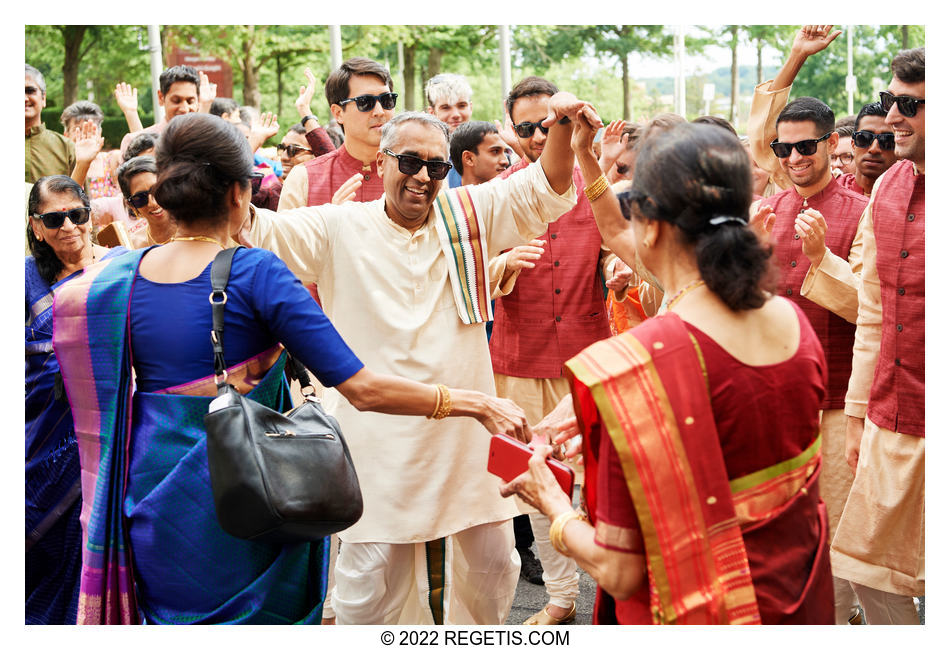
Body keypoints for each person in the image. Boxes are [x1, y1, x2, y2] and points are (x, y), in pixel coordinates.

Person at [52, 113, 528, 625]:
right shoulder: (255, 275)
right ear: (239, 195)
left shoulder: (100, 286)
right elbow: (361, 388)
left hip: (149, 502)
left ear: (162, 193)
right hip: (254, 495)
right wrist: (475, 402)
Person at [239, 99, 595, 624]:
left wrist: (562, 126)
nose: (423, 178)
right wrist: (233, 159)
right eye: (409, 163)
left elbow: (546, 185)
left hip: (467, 443)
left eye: (436, 167)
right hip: (377, 441)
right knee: (371, 588)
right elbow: (258, 231)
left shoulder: (469, 214)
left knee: (491, 572)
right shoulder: (339, 226)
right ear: (381, 163)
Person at [502, 120, 835, 625]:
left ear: (651, 225)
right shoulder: (790, 321)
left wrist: (552, 504)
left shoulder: (629, 370)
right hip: (796, 603)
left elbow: (620, 571)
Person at [489, 76, 620, 626]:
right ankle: (562, 598)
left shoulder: (598, 190)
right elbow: (464, 280)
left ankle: (618, 593)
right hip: (519, 361)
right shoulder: (499, 198)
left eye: (555, 124)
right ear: (513, 132)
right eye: (529, 128)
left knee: (602, 484)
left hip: (587, 362)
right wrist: (500, 267)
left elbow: (623, 252)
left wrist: (619, 268)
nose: (543, 137)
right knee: (533, 486)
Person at [753, 95, 868, 624]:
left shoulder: (863, 214)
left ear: (829, 143)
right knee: (782, 527)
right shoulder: (768, 212)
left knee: (836, 528)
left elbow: (871, 308)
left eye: (805, 146)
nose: (794, 158)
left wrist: (825, 260)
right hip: (777, 396)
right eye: (783, 147)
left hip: (839, 398)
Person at [832, 47, 925, 626]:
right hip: (893, 415)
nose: (892, 116)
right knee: (866, 567)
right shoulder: (888, 187)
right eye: (892, 101)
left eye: (911, 105)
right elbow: (873, 313)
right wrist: (857, 413)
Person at [26, 175, 127, 624]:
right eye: (53, 218)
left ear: (90, 215)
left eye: (76, 214)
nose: (67, 225)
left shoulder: (122, 266)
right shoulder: (22, 282)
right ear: (36, 227)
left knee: (103, 537)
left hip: (111, 434)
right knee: (38, 541)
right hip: (42, 438)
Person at [278, 58, 395, 210]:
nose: (379, 112)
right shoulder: (304, 179)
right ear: (338, 113)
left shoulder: (413, 175)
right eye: (365, 102)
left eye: (387, 100)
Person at [118, 66, 212, 156]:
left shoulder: (210, 141)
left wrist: (205, 106)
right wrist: (130, 113)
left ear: (198, 100)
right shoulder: (133, 141)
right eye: (176, 101)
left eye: (190, 101)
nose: (184, 109)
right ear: (161, 98)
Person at [60, 101, 121, 199]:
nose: (85, 132)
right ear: (66, 135)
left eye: (91, 128)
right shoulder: (62, 167)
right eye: (78, 128)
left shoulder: (113, 160)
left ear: (100, 131)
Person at [26, 64, 75, 183]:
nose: (24, 98)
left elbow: (81, 199)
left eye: (30, 91)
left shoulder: (65, 147)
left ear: (43, 98)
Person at [425, 73, 475, 188]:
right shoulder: (425, 155)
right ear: (432, 112)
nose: (456, 115)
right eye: (446, 108)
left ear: (470, 108)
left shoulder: (490, 148)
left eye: (461, 106)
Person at [448, 120, 510, 186]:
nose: (506, 161)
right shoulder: (445, 194)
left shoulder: (511, 193)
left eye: (505, 152)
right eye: (495, 151)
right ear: (469, 158)